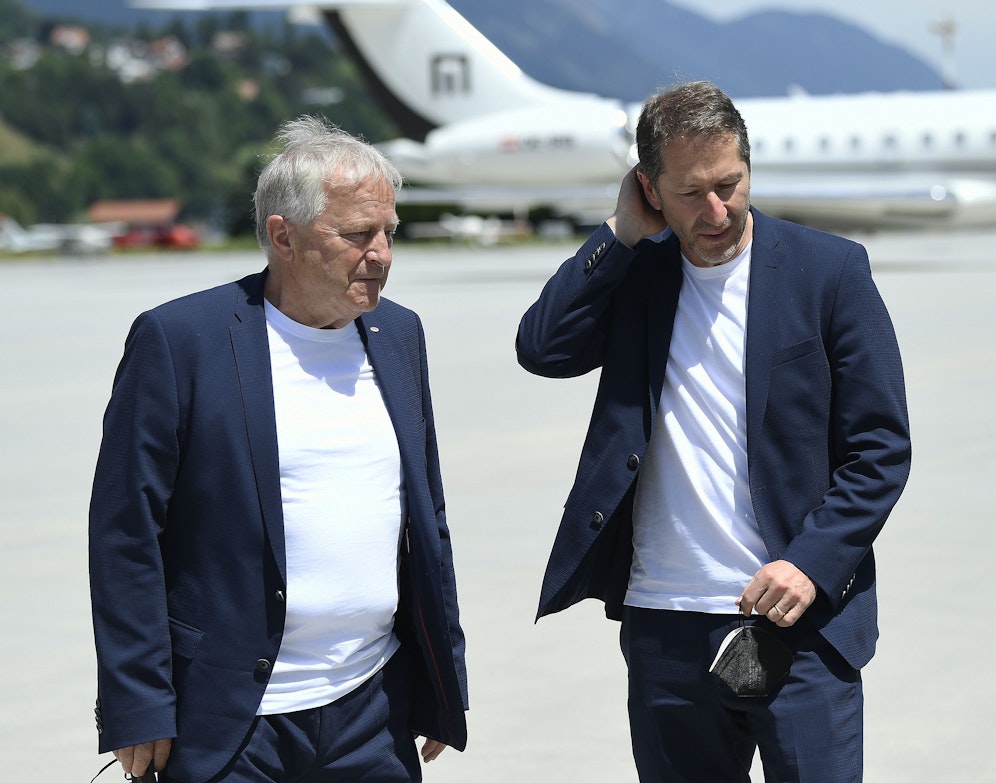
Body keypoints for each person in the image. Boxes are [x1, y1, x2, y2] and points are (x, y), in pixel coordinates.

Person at [516, 81, 910, 782]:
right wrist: (618, 234)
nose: (718, 209)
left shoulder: (829, 271)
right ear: (650, 188)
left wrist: (812, 563)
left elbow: (880, 448)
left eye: (731, 183)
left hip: (799, 619)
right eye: (692, 191)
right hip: (663, 621)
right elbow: (543, 347)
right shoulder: (640, 274)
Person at [89, 116, 468, 783]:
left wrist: (440, 682)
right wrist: (138, 700)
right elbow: (126, 532)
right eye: (356, 234)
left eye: (389, 232)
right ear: (282, 237)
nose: (380, 253)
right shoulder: (181, 340)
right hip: (231, 722)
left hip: (372, 707)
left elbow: (427, 518)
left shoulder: (399, 333)